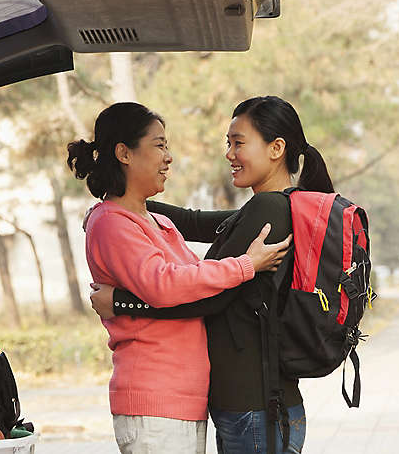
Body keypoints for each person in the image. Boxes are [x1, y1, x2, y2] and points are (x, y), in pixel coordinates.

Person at [90, 96, 336, 454]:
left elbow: (206, 298)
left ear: (276, 148)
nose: (230, 154)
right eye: (228, 143)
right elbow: (190, 221)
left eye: (239, 143)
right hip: (254, 401)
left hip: (252, 402)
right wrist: (120, 202)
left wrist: (123, 301)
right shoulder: (272, 207)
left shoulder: (268, 209)